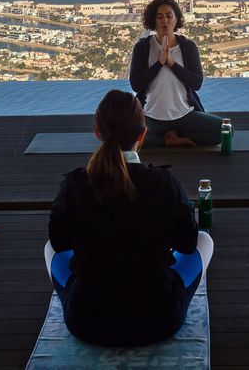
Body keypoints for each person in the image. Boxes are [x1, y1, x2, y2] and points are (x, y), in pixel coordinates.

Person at [46, 89, 214, 346]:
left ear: (97, 132)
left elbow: (59, 244)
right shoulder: (164, 184)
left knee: (50, 250)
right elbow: (188, 244)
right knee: (205, 241)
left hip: (86, 321)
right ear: (143, 134)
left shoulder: (75, 185)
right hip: (158, 320)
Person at [129, 0, 223, 148]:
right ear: (153, 21)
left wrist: (172, 63)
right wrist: (159, 63)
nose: (165, 20)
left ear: (176, 19)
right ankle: (168, 140)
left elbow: (197, 83)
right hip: (150, 117)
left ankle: (172, 134)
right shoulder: (143, 47)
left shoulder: (188, 47)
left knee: (224, 131)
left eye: (169, 16)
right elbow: (136, 85)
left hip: (184, 115)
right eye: (159, 17)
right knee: (121, 136)